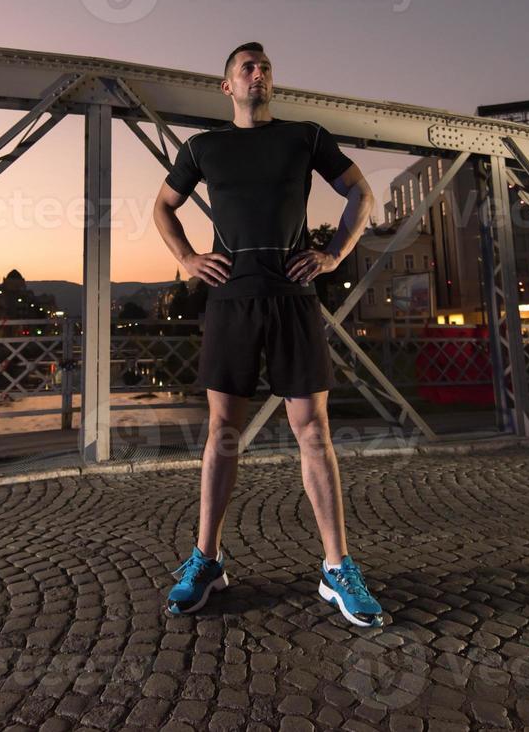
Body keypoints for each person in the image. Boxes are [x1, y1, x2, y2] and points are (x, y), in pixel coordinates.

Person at [151, 41, 385, 627]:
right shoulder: (204, 147)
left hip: (292, 297)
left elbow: (363, 193)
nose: (259, 74)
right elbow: (163, 206)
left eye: (265, 68)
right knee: (222, 430)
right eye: (246, 68)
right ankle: (207, 560)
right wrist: (185, 259)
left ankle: (337, 568)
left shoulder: (304, 136)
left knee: (313, 430)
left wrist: (334, 255)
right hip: (230, 298)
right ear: (227, 86)